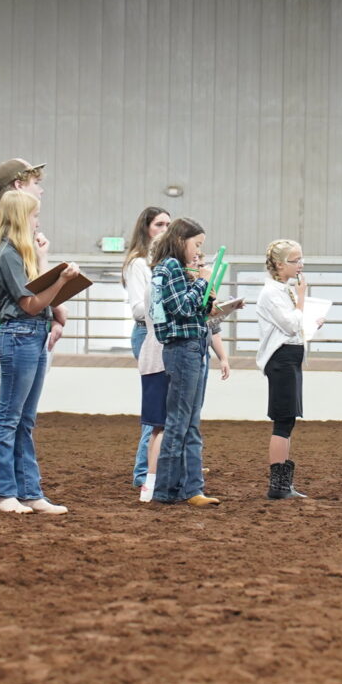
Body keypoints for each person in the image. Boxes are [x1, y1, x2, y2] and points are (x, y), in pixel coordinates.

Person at [0, 190, 79, 515]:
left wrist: (46, 264)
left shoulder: (17, 254)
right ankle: (1, 493)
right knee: (10, 417)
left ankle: (27, 491)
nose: (38, 221)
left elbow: (38, 298)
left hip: (31, 335)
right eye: (34, 216)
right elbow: (31, 303)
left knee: (22, 419)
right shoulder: (5, 254)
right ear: (23, 217)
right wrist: (61, 279)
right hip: (20, 334)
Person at [149, 217, 225, 507]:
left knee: (189, 422)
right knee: (181, 421)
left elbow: (194, 310)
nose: (197, 252)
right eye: (196, 245)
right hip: (183, 348)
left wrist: (207, 296)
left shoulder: (175, 269)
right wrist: (202, 283)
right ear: (181, 241)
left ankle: (192, 488)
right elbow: (180, 308)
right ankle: (167, 491)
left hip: (191, 346)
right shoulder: (170, 268)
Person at [255, 240, 315, 500]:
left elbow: (294, 325)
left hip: (290, 356)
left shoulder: (282, 290)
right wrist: (302, 300)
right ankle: (277, 485)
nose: (300, 265)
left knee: (288, 420)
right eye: (295, 260)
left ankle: (283, 483)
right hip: (281, 359)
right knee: (283, 420)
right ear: (280, 265)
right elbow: (290, 325)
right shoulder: (272, 292)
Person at [122, 206, 171, 498]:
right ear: (146, 228)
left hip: (157, 331)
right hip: (147, 331)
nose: (164, 229)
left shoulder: (161, 263)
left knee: (162, 405)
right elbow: (139, 308)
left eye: (168, 224)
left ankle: (155, 465)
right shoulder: (139, 264)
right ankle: (143, 471)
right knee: (156, 406)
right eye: (158, 224)